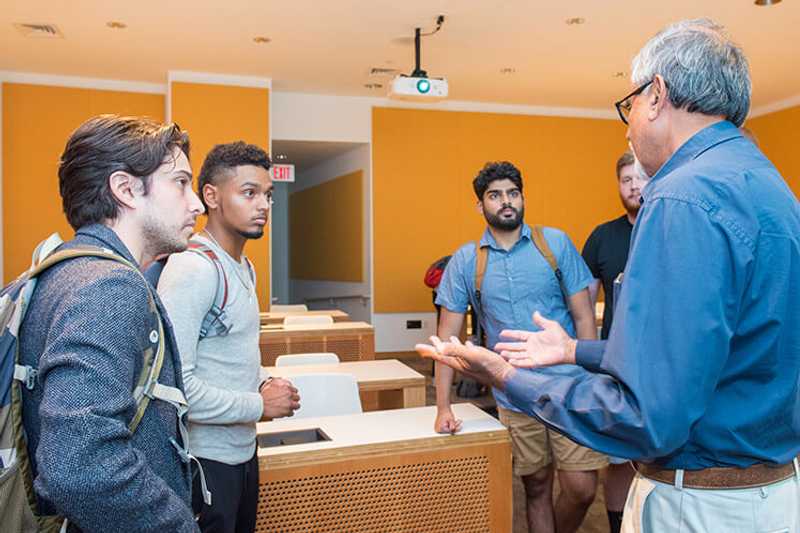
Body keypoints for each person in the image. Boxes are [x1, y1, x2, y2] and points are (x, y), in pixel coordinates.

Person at [417, 18, 800, 533]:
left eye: (630, 105)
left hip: (704, 504)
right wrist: (576, 351)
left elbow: (648, 415)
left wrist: (508, 376)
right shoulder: (769, 183)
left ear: (657, 94)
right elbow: (709, 349)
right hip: (772, 491)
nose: (627, 125)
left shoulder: (680, 195)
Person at [18, 115, 205, 532]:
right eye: (180, 182)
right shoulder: (109, 286)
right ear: (125, 189)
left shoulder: (57, 270)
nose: (197, 204)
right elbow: (79, 464)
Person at [433, 161, 603, 533]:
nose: (506, 202)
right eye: (495, 196)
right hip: (514, 392)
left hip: (570, 388)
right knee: (536, 485)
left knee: (582, 488)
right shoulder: (466, 261)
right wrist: (444, 406)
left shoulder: (554, 244)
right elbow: (447, 342)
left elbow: (584, 316)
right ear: (481, 206)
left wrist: (594, 379)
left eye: (512, 193)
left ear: (523, 197)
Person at [157, 142, 300, 533]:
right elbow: (175, 389)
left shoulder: (244, 266)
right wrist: (259, 403)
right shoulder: (193, 270)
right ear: (212, 197)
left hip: (243, 453)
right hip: (205, 461)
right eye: (249, 193)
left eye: (268, 195)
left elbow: (229, 356)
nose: (264, 206)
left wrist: (262, 381)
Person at [581, 150, 646, 532]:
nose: (634, 185)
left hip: (664, 361)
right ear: (618, 186)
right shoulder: (603, 237)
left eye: (640, 176)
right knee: (618, 459)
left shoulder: (672, 225)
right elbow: (584, 307)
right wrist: (584, 360)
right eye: (626, 179)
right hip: (614, 362)